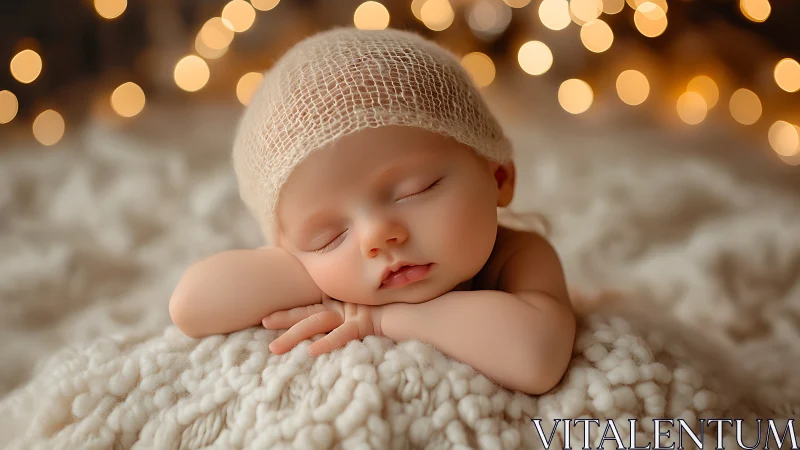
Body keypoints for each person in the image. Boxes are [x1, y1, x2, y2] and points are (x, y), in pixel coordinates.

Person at [169, 27, 575, 395]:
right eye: (328, 236)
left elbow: (536, 355)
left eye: (415, 191)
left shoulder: (518, 253)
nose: (376, 236)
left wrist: (380, 320)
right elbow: (190, 306)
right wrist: (311, 268)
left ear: (499, 176)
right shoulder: (327, 272)